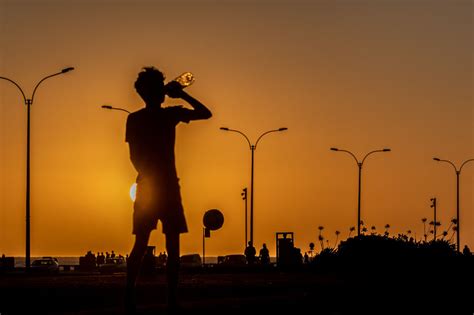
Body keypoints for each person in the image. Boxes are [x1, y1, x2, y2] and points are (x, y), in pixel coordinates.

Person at [125, 67, 212, 312]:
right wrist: (181, 96)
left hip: (149, 186)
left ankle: (137, 299)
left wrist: (180, 95)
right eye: (161, 85)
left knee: (144, 244)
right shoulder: (165, 116)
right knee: (166, 246)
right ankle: (168, 301)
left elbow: (134, 158)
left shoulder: (138, 118)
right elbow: (205, 113)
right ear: (151, 91)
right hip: (163, 187)